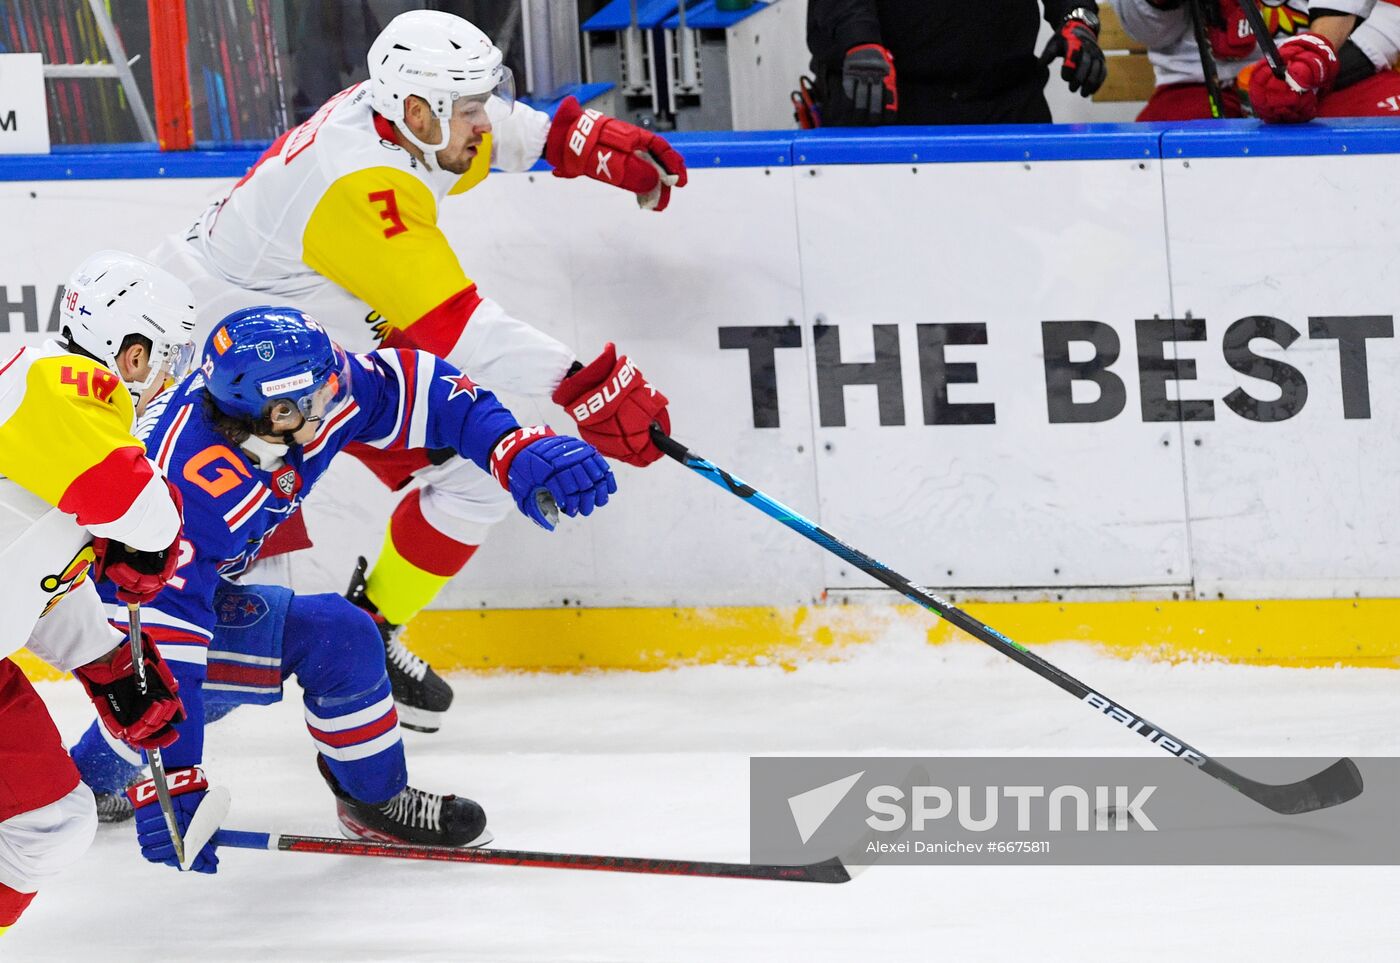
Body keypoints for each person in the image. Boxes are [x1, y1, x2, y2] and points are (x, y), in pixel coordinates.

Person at [151, 9, 682, 734]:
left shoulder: (405, 123)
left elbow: (492, 135)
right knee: (214, 582)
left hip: (306, 343)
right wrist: (586, 385)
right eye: (468, 109)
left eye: (478, 103)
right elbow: (459, 329)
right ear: (415, 109)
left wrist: (574, 140)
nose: (482, 123)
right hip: (226, 372)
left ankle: (370, 629)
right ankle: (126, 755)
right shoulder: (364, 184)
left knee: (472, 479)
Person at [68, 307, 616, 868]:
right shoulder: (180, 489)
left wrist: (509, 447)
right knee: (332, 637)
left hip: (179, 586)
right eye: (319, 395)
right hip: (109, 608)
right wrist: (177, 782)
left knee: (258, 666)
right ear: (275, 413)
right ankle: (375, 802)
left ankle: (82, 782)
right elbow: (154, 645)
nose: (339, 395)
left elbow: (418, 387)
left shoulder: (299, 398)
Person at [0, 251, 191, 934]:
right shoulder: (50, 380)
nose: (170, 377)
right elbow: (139, 509)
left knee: (48, 823)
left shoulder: (55, 436)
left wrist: (108, 661)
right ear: (132, 354)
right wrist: (156, 536)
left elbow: (27, 568)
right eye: (168, 357)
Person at [806, 0, 1108, 126]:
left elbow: (1075, 5)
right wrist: (859, 39)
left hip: (1004, 103)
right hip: (887, 102)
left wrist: (1078, 20)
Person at [1112, 0, 1400, 121]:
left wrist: (1315, 63)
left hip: (1329, 75)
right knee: (1144, 178)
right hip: (1202, 86)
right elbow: (1151, 34)